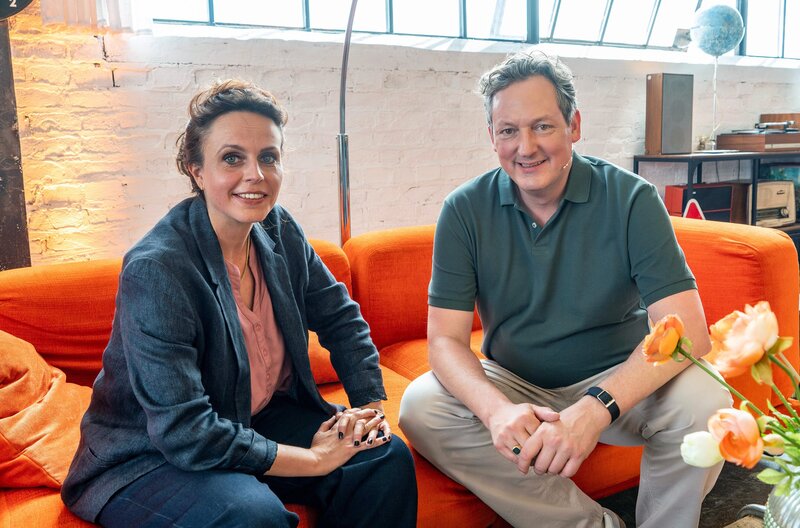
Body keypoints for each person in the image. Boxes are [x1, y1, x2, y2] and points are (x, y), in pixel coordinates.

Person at [62, 80, 417, 528]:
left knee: (381, 455)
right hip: (149, 453)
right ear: (197, 170)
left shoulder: (279, 229)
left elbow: (341, 319)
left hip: (252, 419)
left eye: (268, 157)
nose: (256, 175)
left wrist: (369, 408)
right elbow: (184, 430)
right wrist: (314, 460)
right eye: (232, 158)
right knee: (252, 515)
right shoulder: (158, 269)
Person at [399, 50, 731, 528]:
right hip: (514, 381)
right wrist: (496, 413)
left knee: (706, 397)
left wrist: (595, 409)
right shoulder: (463, 210)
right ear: (492, 137)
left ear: (574, 126)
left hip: (618, 379)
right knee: (421, 406)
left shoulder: (632, 199)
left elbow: (688, 333)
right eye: (508, 131)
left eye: (543, 126)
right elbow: (445, 342)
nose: (526, 147)